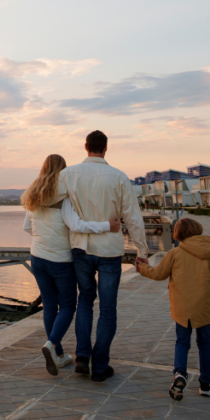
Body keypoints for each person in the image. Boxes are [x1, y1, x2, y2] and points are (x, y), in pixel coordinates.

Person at [60, 130, 149, 382]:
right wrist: (142, 250)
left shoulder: (68, 174)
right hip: (109, 250)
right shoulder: (119, 177)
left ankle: (81, 358)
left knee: (85, 300)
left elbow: (52, 202)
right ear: (106, 148)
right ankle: (99, 366)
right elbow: (132, 216)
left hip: (80, 247)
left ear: (85, 146)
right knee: (108, 308)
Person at [22, 154, 121, 376]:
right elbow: (77, 225)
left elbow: (27, 228)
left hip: (37, 258)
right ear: (63, 171)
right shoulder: (65, 196)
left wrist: (43, 238)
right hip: (60, 260)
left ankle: (58, 355)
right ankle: (52, 343)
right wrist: (107, 225)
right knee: (68, 305)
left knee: (49, 306)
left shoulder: (33, 196)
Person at [135, 218, 210, 400]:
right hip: (204, 308)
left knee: (182, 343)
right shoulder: (209, 255)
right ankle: (206, 384)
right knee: (204, 344)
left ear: (178, 234)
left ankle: (179, 374)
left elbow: (158, 274)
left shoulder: (175, 253)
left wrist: (142, 267)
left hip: (183, 309)